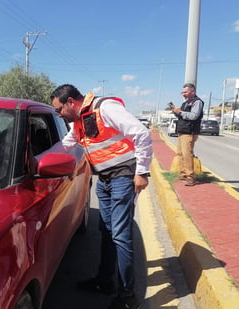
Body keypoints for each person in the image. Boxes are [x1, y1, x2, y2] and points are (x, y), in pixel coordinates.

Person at [50, 84, 152, 309]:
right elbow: (66, 145)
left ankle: (127, 296)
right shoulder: (77, 121)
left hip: (123, 177)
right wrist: (38, 160)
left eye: (59, 110)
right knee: (106, 231)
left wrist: (142, 172)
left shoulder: (105, 108)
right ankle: (105, 281)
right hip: (104, 180)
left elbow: (142, 134)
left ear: (71, 103)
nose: (58, 114)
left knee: (120, 236)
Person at [169, 83, 204, 186]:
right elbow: (182, 115)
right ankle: (184, 173)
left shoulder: (197, 102)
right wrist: (175, 111)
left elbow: (193, 116)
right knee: (180, 153)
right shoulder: (186, 103)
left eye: (185, 92)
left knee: (187, 154)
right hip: (182, 131)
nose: (183, 94)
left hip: (189, 132)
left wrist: (180, 112)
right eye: (182, 92)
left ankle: (190, 176)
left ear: (192, 92)